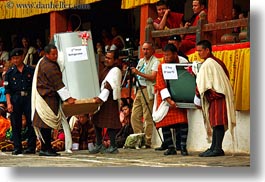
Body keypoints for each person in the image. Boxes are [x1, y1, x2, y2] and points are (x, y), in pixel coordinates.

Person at [31, 44, 76, 156]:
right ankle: (45, 148)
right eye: (53, 54)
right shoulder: (48, 66)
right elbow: (58, 84)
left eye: (56, 53)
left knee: (46, 124)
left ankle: (46, 147)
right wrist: (68, 98)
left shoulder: (46, 62)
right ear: (46, 54)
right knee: (45, 123)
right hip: (46, 97)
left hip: (48, 96)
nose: (55, 56)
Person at [195, 40, 236, 157]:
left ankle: (218, 148)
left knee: (218, 122)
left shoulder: (210, 63)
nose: (198, 53)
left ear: (207, 50)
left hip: (218, 95)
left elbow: (208, 80)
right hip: (214, 95)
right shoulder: (213, 62)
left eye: (200, 50)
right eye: (197, 51)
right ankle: (213, 147)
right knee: (214, 122)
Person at [153, 43, 189, 156]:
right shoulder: (161, 65)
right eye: (165, 56)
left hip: (180, 96)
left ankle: (183, 147)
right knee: (164, 123)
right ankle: (171, 148)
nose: (166, 58)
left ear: (175, 54)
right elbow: (160, 84)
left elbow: (187, 79)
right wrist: (168, 100)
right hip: (164, 98)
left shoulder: (183, 62)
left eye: (168, 55)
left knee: (183, 121)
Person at [4, 48, 37, 155]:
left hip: (28, 98)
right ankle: (17, 147)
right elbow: (7, 90)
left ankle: (31, 147)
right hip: (15, 99)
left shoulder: (31, 70)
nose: (15, 60)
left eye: (17, 58)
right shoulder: (9, 73)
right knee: (16, 123)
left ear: (22, 57)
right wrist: (9, 103)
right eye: (13, 58)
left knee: (31, 122)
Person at [89, 50, 122, 154]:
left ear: (115, 60)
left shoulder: (116, 70)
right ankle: (99, 144)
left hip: (110, 100)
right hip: (101, 98)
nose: (106, 60)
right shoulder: (104, 69)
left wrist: (101, 98)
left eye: (109, 58)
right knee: (96, 120)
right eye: (106, 57)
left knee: (111, 123)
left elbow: (109, 85)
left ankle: (113, 146)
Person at [130, 41, 159, 148]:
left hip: (148, 90)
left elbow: (153, 77)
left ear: (152, 50)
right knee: (134, 115)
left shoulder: (155, 62)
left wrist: (138, 73)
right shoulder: (141, 61)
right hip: (139, 89)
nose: (145, 51)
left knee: (147, 116)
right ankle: (139, 137)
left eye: (147, 49)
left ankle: (147, 141)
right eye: (143, 49)